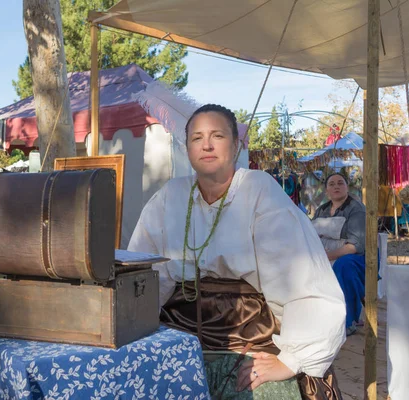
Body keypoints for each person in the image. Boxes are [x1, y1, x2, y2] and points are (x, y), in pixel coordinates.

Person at [129, 104, 346, 399]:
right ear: (187, 147)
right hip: (179, 325)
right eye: (196, 138)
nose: (206, 145)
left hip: (250, 329)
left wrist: (291, 358)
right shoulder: (170, 196)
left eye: (217, 135)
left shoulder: (258, 190)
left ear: (236, 145)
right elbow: (145, 271)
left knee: (263, 390)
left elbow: (300, 279)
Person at [311, 173, 366, 336]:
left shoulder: (357, 210)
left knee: (344, 266)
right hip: (326, 254)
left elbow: (355, 246)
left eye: (340, 183)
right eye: (332, 184)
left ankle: (346, 321)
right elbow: (312, 234)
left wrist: (328, 257)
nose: (336, 186)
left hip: (355, 258)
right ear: (327, 190)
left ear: (347, 187)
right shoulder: (322, 210)